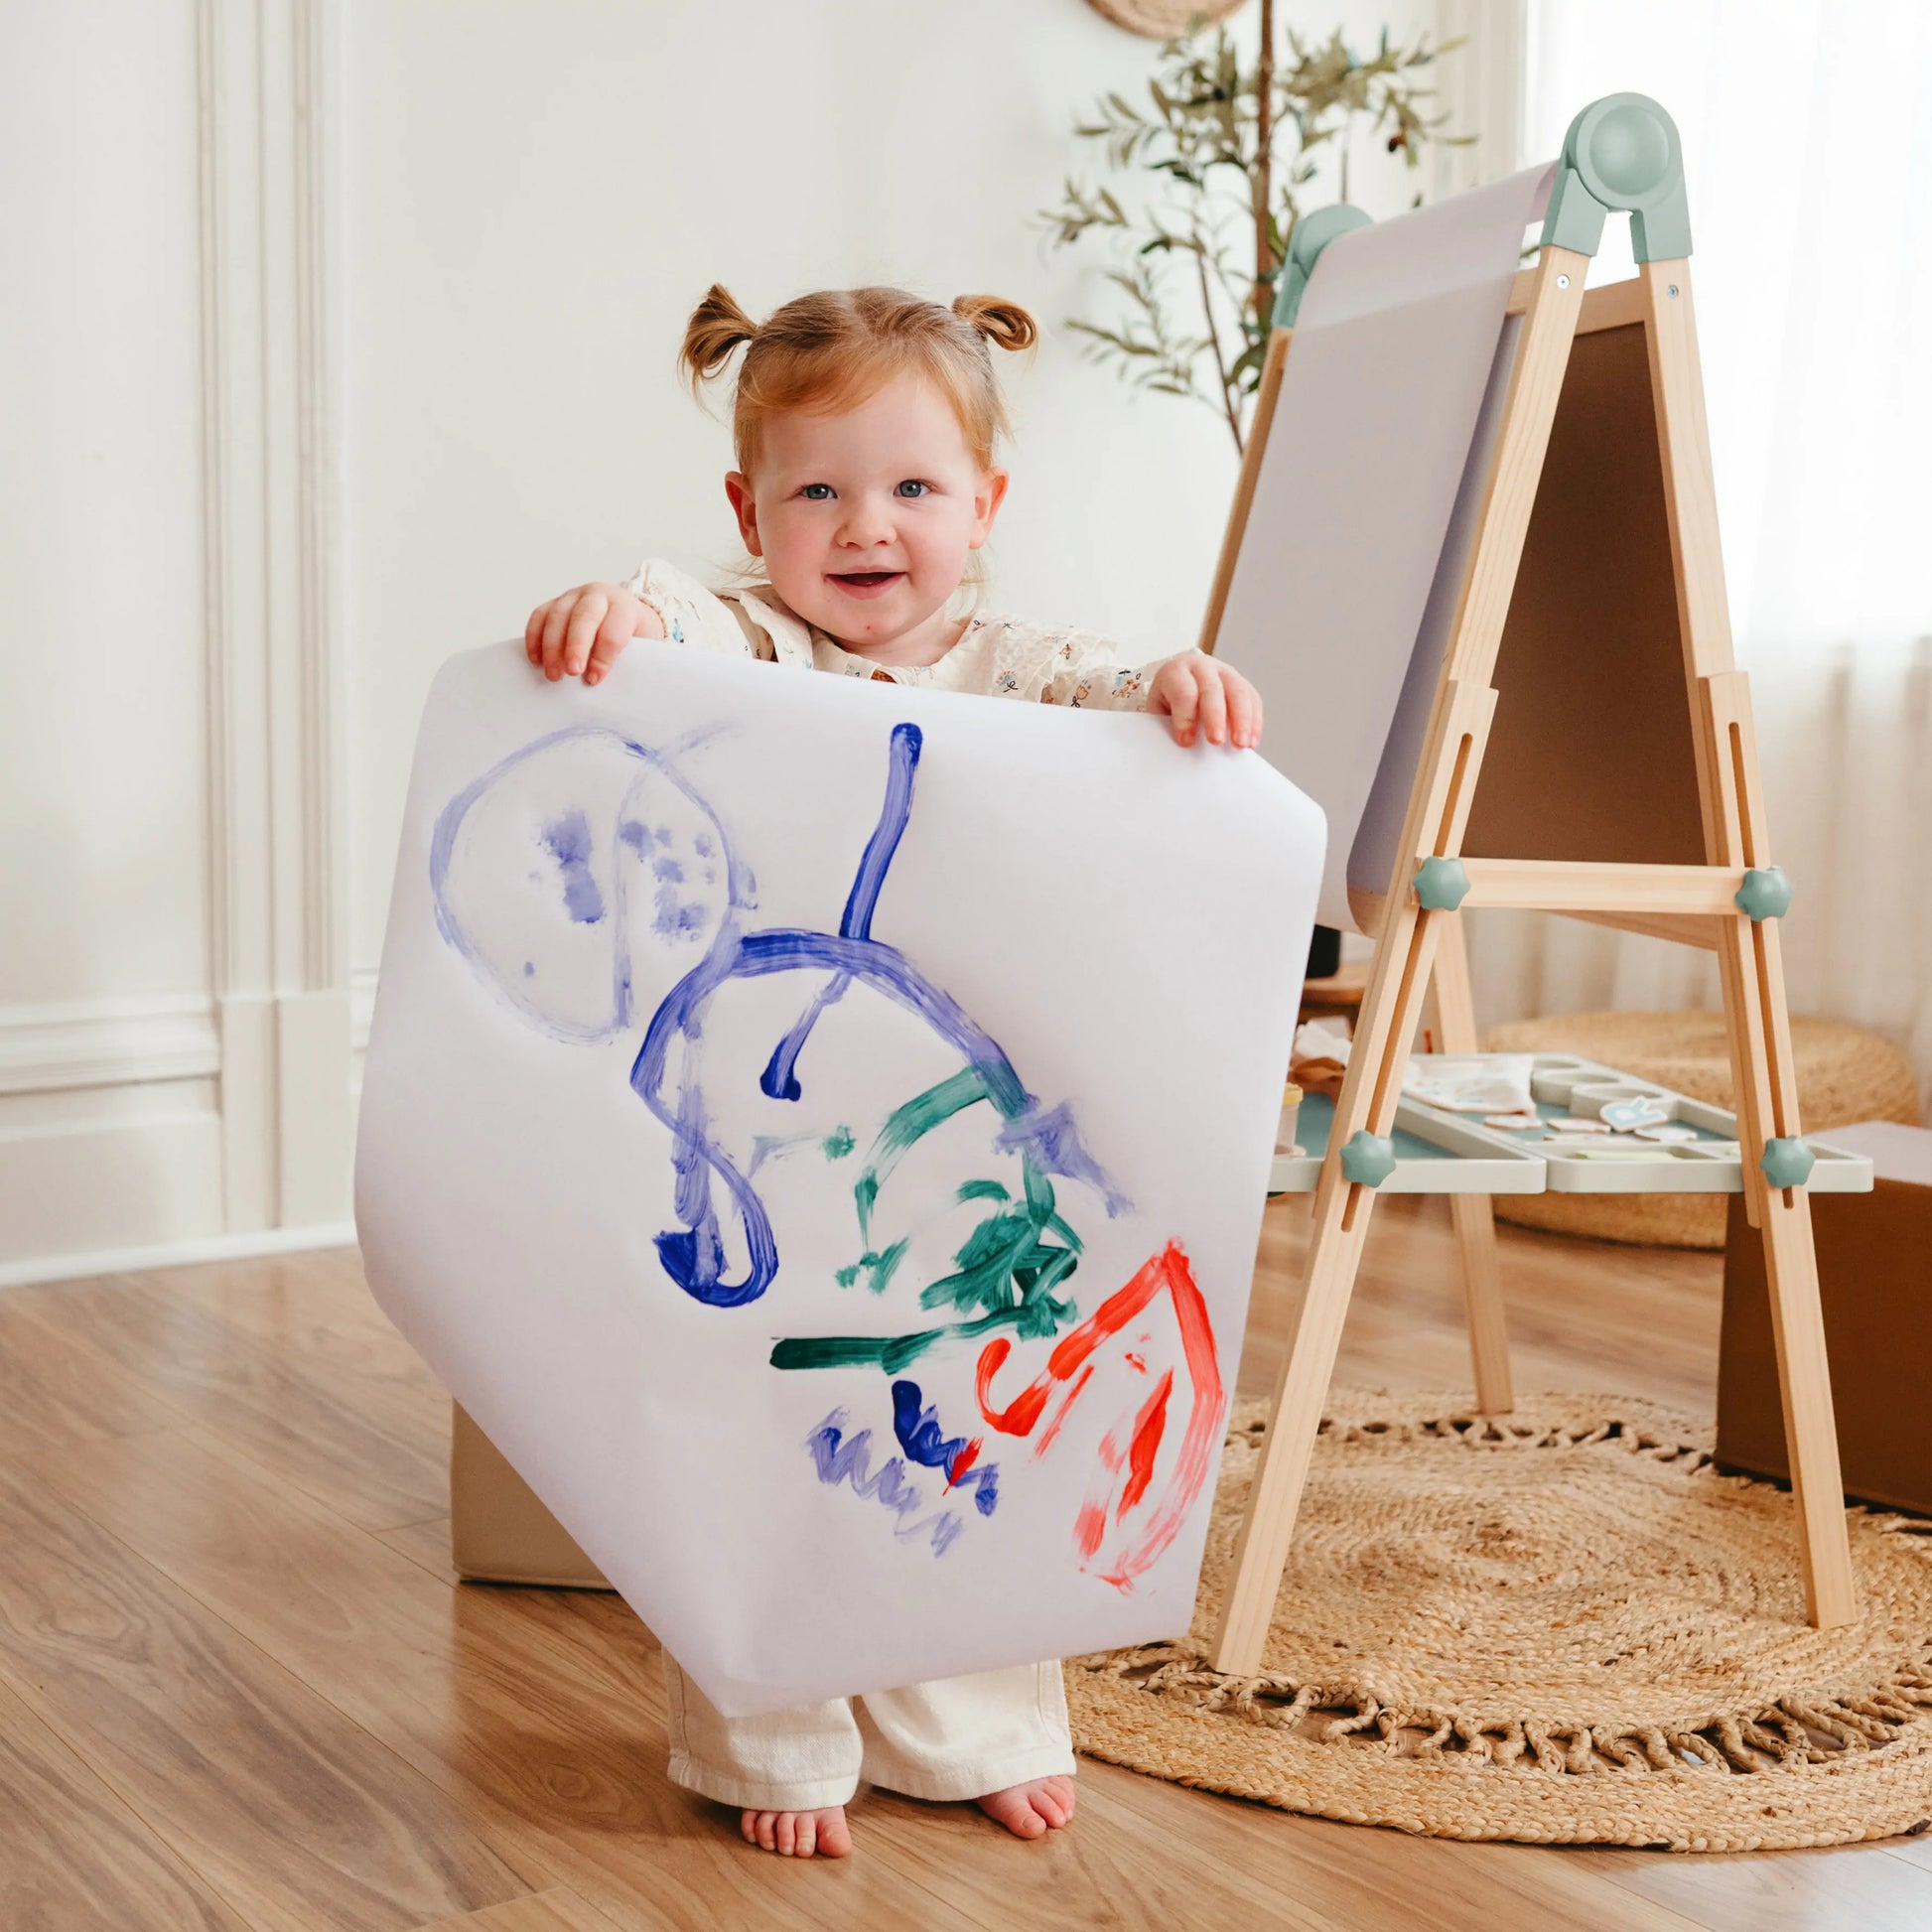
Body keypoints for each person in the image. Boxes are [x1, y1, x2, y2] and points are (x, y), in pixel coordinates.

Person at [523, 284, 1264, 1861]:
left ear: (985, 505)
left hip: (951, 1143)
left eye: (915, 488)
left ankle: (971, 1729)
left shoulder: (1020, 663)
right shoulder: (740, 639)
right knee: (759, 1425)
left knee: (974, 1411)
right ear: (750, 511)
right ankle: (771, 1739)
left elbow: (1112, 707)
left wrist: (1176, 690)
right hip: (772, 1141)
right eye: (817, 490)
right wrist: (620, 618)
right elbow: (669, 632)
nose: (867, 527)